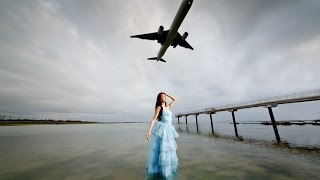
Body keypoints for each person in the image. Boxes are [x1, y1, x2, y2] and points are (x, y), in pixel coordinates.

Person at [146, 92, 179, 179]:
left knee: (168, 150)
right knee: (162, 150)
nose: (164, 97)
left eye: (164, 96)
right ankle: (160, 171)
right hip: (163, 131)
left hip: (169, 130)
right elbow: (153, 119)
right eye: (162, 96)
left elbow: (175, 99)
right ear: (160, 99)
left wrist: (166, 93)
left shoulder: (168, 107)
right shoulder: (159, 107)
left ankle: (167, 169)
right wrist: (149, 131)